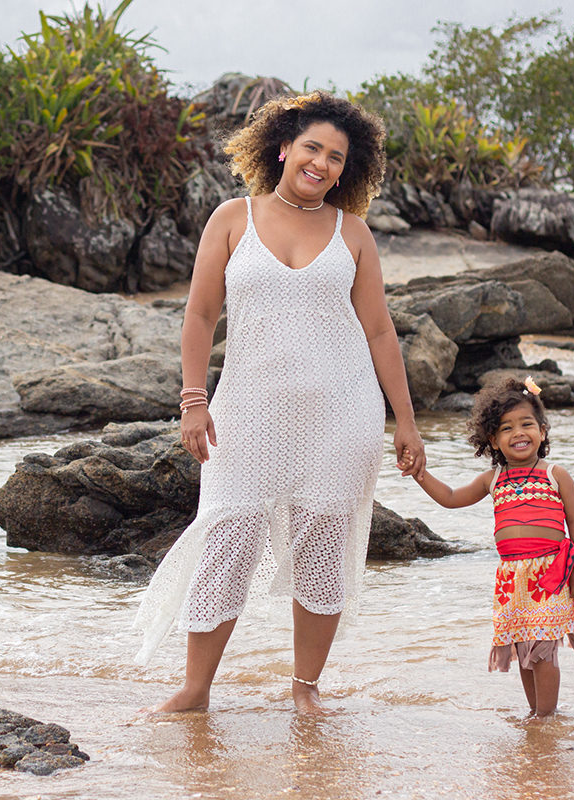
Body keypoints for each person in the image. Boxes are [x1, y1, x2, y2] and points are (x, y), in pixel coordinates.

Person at [133, 91, 426, 715]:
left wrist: (406, 421)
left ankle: (305, 689)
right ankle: (195, 688)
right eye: (313, 148)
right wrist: (192, 400)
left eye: (337, 157)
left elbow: (379, 333)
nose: (321, 163)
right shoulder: (233, 217)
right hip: (248, 408)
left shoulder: (354, 234)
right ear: (285, 147)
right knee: (228, 531)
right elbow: (201, 313)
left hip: (343, 411)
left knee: (323, 532)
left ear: (349, 169)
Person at [408, 377, 574, 718]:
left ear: (543, 430)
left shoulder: (555, 474)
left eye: (527, 425)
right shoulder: (492, 479)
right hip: (511, 578)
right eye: (506, 428)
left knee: (544, 648)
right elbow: (449, 498)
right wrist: (420, 474)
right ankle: (535, 714)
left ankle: (546, 718)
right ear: (493, 439)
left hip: (548, 574)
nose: (518, 433)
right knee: (524, 649)